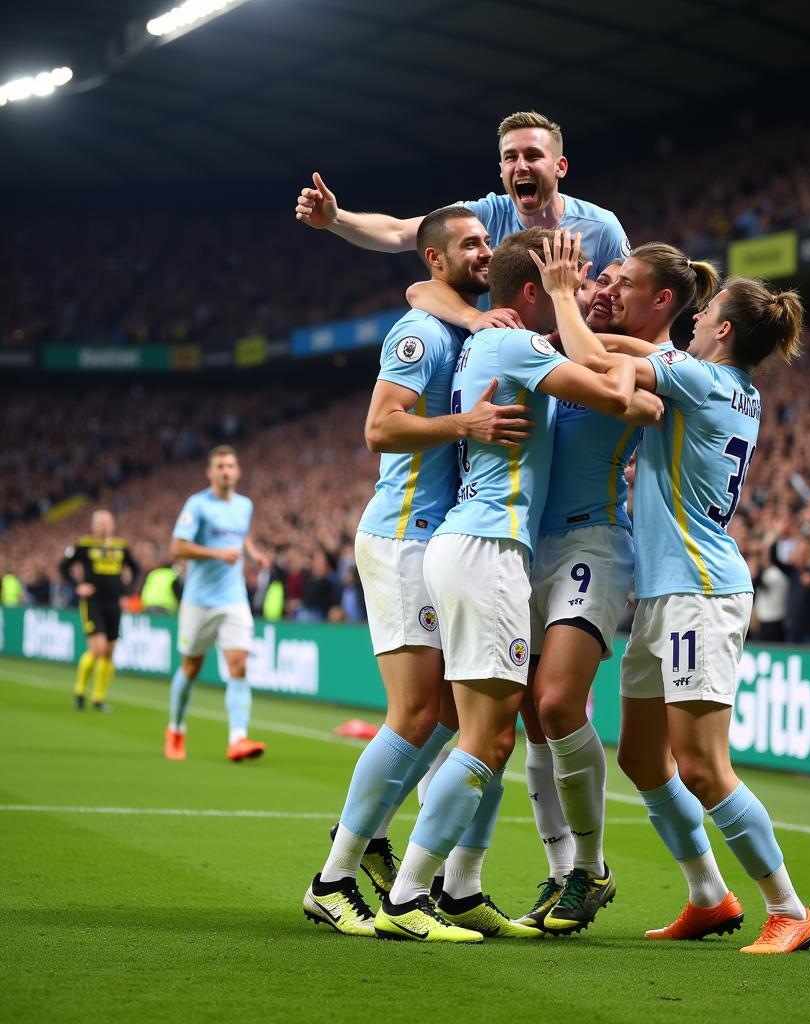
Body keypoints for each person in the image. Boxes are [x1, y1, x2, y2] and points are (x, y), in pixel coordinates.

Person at [540, 232, 810, 954]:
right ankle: (707, 894)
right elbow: (627, 353)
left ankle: (788, 907)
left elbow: (601, 358)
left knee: (701, 765)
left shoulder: (703, 379)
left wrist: (566, 296)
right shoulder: (729, 387)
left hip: (700, 590)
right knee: (641, 756)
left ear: (722, 330)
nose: (692, 320)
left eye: (705, 315)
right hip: (665, 595)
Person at [374, 228, 636, 943]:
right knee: (486, 740)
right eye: (571, 281)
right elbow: (616, 393)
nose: (581, 292)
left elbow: (422, 285)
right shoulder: (520, 344)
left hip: (470, 543)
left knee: (480, 725)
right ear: (533, 290)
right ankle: (406, 896)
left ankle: (447, 886)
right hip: (489, 547)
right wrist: (617, 351)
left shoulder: (487, 341)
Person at [304, 207, 537, 940]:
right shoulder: (423, 334)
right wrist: (463, 427)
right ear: (435, 260)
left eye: (486, 241)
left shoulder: (469, 329)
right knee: (416, 713)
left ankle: (416, 864)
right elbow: (380, 427)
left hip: (438, 540)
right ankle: (334, 878)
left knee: (451, 715)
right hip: (403, 536)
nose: (483, 249)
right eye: (469, 243)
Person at [295, 109, 630, 330]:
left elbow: (627, 307)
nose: (521, 166)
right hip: (500, 362)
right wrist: (337, 219)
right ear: (500, 170)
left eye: (533, 156)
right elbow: (399, 233)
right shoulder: (482, 216)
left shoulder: (601, 228)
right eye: (510, 158)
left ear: (560, 166)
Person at [164, 446, 270, 762]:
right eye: (220, 466)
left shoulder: (244, 506)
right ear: (209, 472)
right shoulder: (197, 505)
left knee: (238, 665)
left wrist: (252, 553)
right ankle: (176, 728)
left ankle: (238, 738)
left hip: (234, 599)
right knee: (191, 668)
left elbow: (241, 536)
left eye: (231, 465)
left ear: (238, 472)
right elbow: (177, 547)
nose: (226, 471)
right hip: (199, 600)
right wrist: (217, 554)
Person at [60, 509, 140, 712]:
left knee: (109, 653)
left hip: (114, 603)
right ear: (93, 525)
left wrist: (127, 592)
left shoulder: (120, 547)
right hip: (93, 602)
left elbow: (136, 568)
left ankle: (98, 698)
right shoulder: (84, 545)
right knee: (98, 649)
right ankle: (79, 691)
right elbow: (63, 567)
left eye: (108, 522)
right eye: (101, 522)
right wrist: (77, 586)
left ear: (113, 525)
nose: (104, 526)